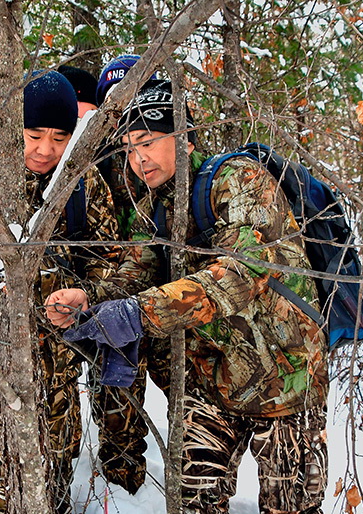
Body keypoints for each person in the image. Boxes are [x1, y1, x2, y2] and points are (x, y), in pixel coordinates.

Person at [46, 81, 330, 513]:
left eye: (147, 142)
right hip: (210, 385)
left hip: (285, 382)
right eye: (127, 148)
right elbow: (136, 271)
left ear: (185, 137)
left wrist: (138, 315)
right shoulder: (156, 204)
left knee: (292, 508)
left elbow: (240, 273)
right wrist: (88, 299)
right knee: (192, 503)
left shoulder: (241, 180)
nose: (137, 159)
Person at [0, 70, 118, 514]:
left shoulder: (82, 187)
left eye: (59, 136)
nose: (45, 149)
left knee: (54, 492)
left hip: (59, 377)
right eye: (34, 134)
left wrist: (83, 295)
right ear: (16, 128)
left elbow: (110, 264)